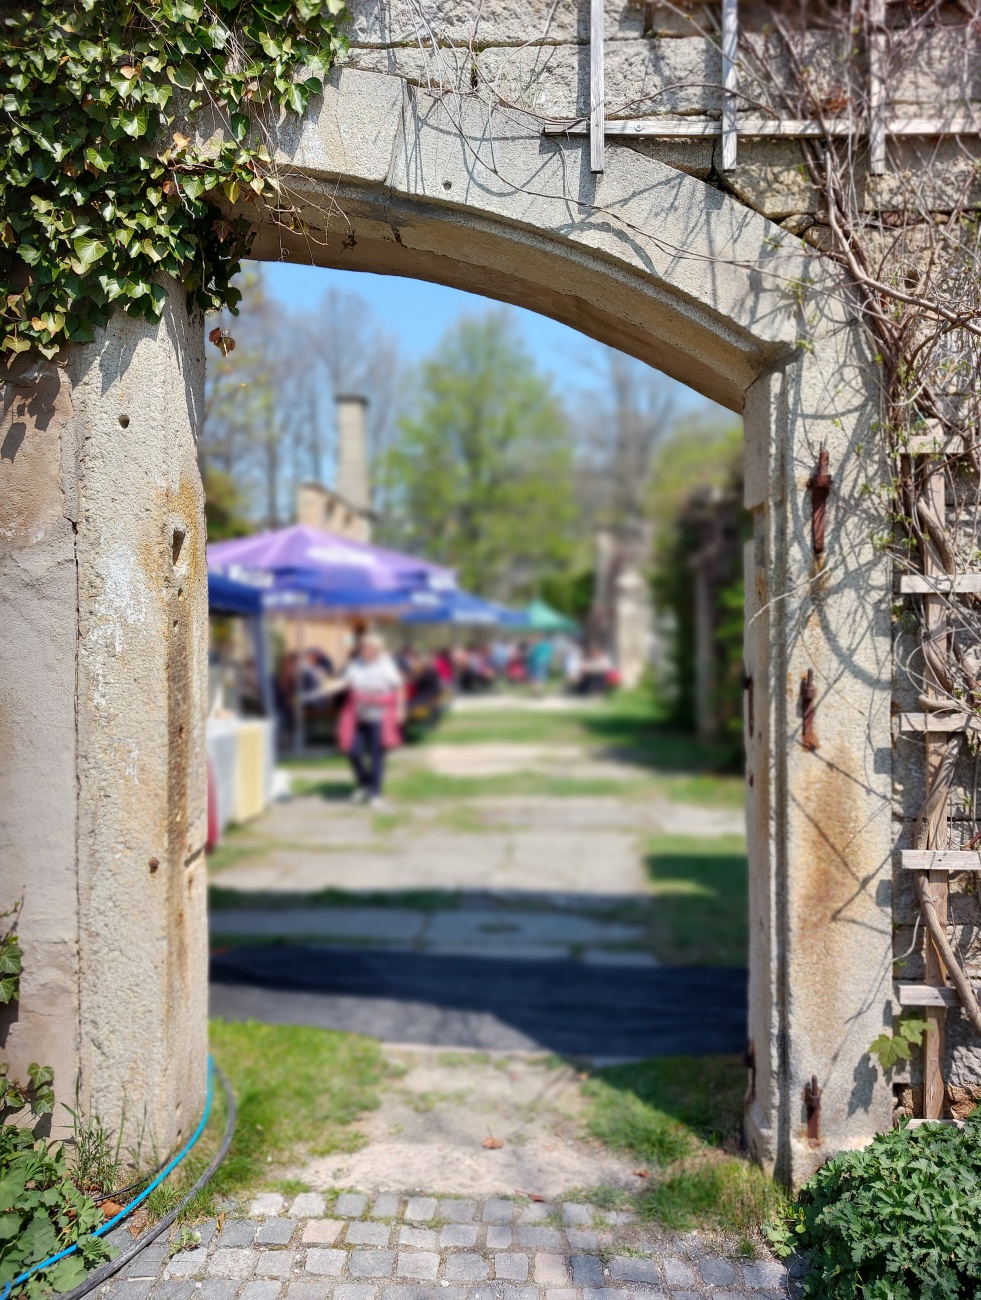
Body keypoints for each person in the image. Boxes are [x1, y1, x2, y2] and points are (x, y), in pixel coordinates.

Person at [333, 633, 406, 806]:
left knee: (376, 755)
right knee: (352, 751)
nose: (362, 650)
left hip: (380, 715)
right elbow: (345, 682)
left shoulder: (386, 665)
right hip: (357, 714)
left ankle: (375, 792)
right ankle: (365, 783)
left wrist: (400, 709)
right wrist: (329, 686)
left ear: (376, 650)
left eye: (366, 647)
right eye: (362, 647)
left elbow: (399, 686)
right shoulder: (356, 664)